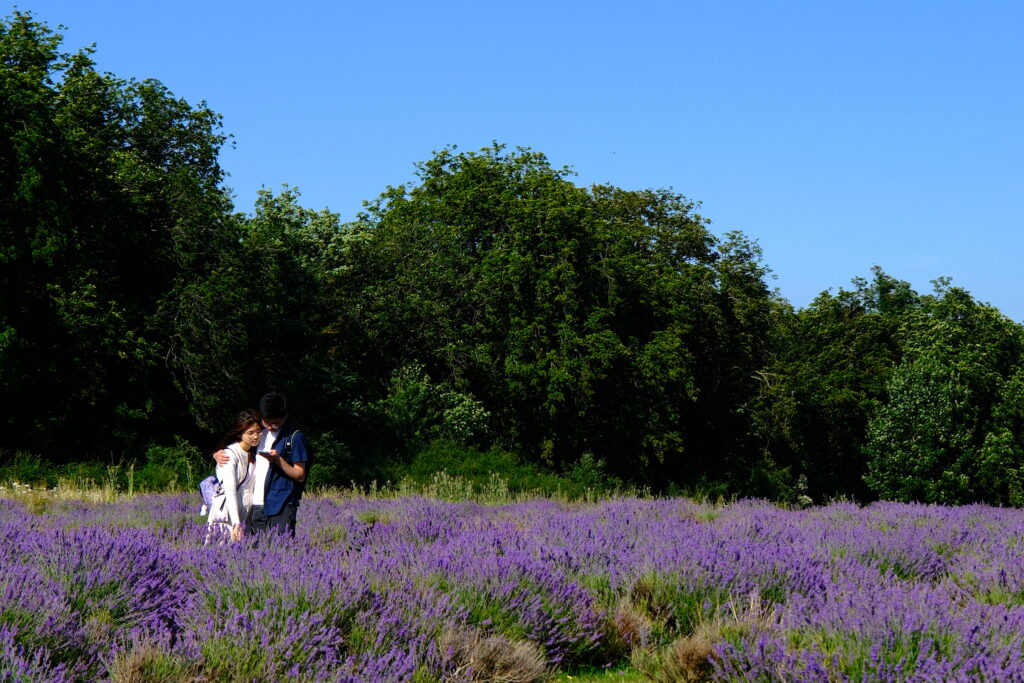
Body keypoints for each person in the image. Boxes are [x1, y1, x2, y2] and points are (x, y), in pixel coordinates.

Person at [215, 391, 309, 536]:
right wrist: (218, 454)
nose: (271, 427)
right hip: (256, 505)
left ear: (285, 416)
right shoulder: (259, 432)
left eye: (276, 423)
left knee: (280, 550)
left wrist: (279, 461)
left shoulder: (294, 437)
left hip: (281, 504)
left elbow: (300, 475)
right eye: (267, 422)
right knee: (257, 551)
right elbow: (240, 446)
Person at [206, 409, 261, 543]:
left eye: (258, 431)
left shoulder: (254, 452)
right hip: (228, 515)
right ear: (240, 433)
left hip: (246, 513)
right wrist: (237, 524)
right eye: (250, 433)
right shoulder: (230, 455)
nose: (255, 436)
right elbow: (230, 491)